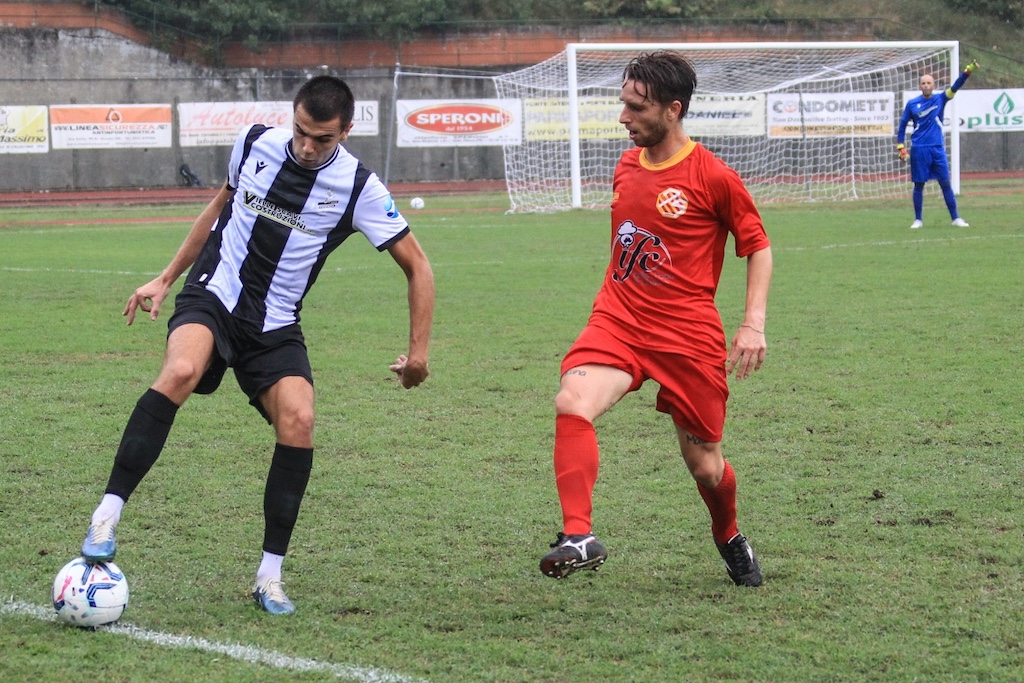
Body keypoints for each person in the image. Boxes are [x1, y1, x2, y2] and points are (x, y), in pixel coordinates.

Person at [79, 75, 435, 615]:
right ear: (290, 116)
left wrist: (419, 354)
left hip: (275, 324)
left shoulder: (360, 188)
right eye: (301, 131)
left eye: (322, 139)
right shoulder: (253, 142)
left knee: (300, 420)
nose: (307, 146)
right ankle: (106, 514)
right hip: (214, 294)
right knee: (180, 370)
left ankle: (268, 576)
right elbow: (217, 210)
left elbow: (419, 265)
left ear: (346, 131)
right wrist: (166, 277)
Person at [538, 51, 772, 587]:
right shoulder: (625, 165)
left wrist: (752, 323)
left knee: (706, 466)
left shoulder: (713, 176)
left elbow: (757, 246)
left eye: (635, 107)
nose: (623, 116)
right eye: (622, 103)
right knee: (572, 402)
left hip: (687, 338)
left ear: (672, 109)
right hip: (618, 321)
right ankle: (579, 535)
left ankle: (730, 535)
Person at [896, 60, 979, 229]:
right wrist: (901, 147)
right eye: (923, 83)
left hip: (937, 148)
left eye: (929, 83)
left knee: (945, 183)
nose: (926, 85)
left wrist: (967, 71)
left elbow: (956, 86)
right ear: (920, 86)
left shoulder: (941, 99)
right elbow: (902, 125)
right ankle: (918, 220)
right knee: (919, 184)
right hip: (919, 149)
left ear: (933, 85)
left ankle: (955, 218)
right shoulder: (912, 104)